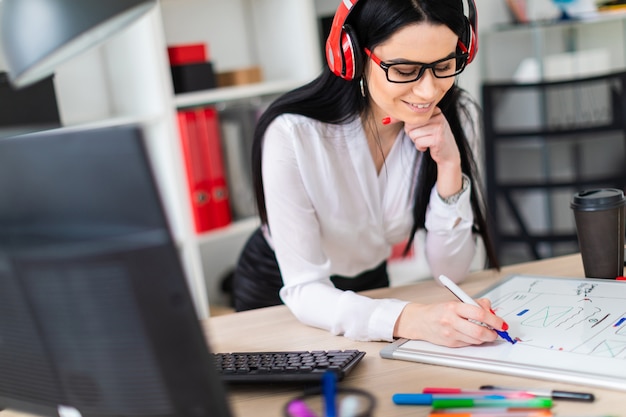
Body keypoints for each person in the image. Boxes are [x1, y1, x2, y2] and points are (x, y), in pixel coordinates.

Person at [232, 0, 505, 347]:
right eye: (405, 70)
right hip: (282, 290)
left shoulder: (454, 118)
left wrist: (449, 166)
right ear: (353, 56)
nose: (428, 91)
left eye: (445, 65)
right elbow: (305, 289)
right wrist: (411, 319)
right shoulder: (292, 135)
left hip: (372, 283)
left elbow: (449, 273)